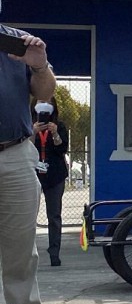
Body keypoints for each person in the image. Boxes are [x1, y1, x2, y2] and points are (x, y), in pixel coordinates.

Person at [0, 0, 57, 304]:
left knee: (21, 244)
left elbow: (45, 93)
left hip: (16, 152)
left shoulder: (18, 42)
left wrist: (38, 63)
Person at [32, 99, 69, 267]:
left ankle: (54, 252)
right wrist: (32, 133)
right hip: (33, 174)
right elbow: (24, 149)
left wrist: (55, 134)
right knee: (28, 215)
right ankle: (27, 252)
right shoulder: (28, 125)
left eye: (47, 103)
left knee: (54, 215)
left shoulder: (59, 126)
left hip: (55, 175)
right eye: (40, 102)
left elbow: (62, 149)